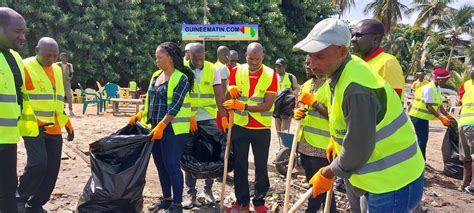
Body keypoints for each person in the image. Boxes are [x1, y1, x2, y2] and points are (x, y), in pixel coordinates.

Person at [294, 18, 425, 212]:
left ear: (342, 51)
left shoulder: (356, 88)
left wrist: (328, 172)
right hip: (378, 178)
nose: (312, 64)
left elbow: (357, 151)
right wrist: (336, 139)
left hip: (393, 181)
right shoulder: (344, 70)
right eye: (310, 57)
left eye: (320, 56)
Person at [130, 42, 194, 213]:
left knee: (172, 165)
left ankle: (178, 204)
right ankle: (167, 199)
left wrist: (162, 126)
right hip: (155, 129)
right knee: (161, 166)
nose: (156, 60)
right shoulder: (156, 76)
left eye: (159, 57)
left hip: (173, 130)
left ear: (170, 58)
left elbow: (175, 107)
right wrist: (140, 115)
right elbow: (150, 102)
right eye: (156, 57)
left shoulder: (181, 78)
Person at [18, 37, 74, 213]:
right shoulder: (25, 66)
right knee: (38, 163)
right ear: (37, 51)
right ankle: (20, 196)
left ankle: (35, 204)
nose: (51, 59)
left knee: (52, 169)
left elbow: (57, 100)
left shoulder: (57, 70)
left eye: (54, 56)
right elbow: (20, 96)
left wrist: (67, 122)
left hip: (54, 127)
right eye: (47, 55)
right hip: (33, 125)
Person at [223, 42, 277, 213]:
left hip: (261, 128)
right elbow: (227, 98)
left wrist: (243, 106)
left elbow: (267, 105)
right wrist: (229, 89)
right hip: (240, 126)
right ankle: (242, 202)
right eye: (251, 58)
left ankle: (259, 201)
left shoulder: (270, 74)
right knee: (240, 166)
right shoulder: (236, 71)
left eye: (257, 58)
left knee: (261, 166)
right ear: (245, 56)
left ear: (263, 57)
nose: (254, 61)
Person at [0, 7, 37, 213]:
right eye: (17, 32)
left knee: (8, 188)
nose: (23, 37)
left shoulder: (14, 58)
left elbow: (20, 95)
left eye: (24, 32)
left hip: (7, 138)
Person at [182, 43, 228, 208]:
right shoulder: (182, 69)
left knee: (212, 152)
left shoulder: (212, 69)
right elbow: (180, 94)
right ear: (190, 56)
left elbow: (218, 95)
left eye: (202, 58)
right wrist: (189, 115)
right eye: (196, 59)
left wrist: (223, 117)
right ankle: (190, 194)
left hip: (208, 117)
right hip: (189, 117)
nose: (200, 62)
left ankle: (207, 190)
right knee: (190, 154)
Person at [293, 56, 336, 212]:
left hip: (322, 146)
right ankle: (312, 209)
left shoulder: (331, 85)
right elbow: (302, 108)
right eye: (305, 62)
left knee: (324, 187)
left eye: (309, 63)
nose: (307, 66)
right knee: (312, 183)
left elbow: (337, 117)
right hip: (305, 143)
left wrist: (315, 103)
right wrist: (297, 112)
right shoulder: (307, 85)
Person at [351, 19, 405, 101]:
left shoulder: (388, 63)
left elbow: (393, 101)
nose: (353, 39)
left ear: (376, 38)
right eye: (352, 35)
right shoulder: (354, 62)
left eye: (358, 35)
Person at [409, 68, 453, 159]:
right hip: (417, 116)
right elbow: (429, 107)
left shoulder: (437, 88)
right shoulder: (429, 88)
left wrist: (447, 115)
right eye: (446, 80)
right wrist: (441, 118)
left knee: (423, 139)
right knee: (422, 139)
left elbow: (439, 105)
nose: (447, 81)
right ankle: (420, 160)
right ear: (440, 79)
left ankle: (419, 158)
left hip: (422, 117)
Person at [457, 66, 474, 194]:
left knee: (468, 158)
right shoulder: (467, 86)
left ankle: (464, 185)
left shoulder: (468, 87)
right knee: (470, 157)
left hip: (463, 124)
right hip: (470, 125)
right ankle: (471, 186)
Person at [274, 57, 299, 133]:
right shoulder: (273, 77)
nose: (277, 68)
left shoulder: (291, 77)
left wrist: (292, 91)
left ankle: (284, 144)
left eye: (279, 66)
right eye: (276, 66)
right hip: (276, 107)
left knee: (284, 131)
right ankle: (280, 145)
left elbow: (297, 90)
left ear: (285, 66)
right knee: (278, 130)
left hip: (287, 108)